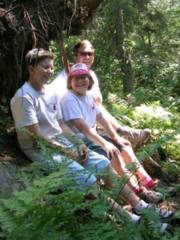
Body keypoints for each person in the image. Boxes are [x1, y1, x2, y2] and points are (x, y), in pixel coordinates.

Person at [10, 48, 174, 233]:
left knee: (103, 163)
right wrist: (68, 152)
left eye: (51, 67)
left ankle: (139, 205)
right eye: (45, 67)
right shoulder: (24, 98)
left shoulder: (50, 92)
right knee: (84, 177)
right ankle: (130, 219)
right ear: (31, 69)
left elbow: (61, 125)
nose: (49, 71)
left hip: (62, 143)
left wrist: (78, 144)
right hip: (41, 150)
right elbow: (37, 136)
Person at [61, 63, 176, 204]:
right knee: (114, 156)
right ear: (70, 81)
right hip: (81, 140)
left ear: (90, 80)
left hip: (92, 136)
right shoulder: (69, 98)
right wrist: (105, 144)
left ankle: (150, 184)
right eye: (76, 78)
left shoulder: (88, 95)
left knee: (125, 149)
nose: (80, 81)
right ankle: (139, 192)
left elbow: (100, 118)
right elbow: (82, 126)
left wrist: (116, 137)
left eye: (84, 77)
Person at [51, 39, 151, 146]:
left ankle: (120, 133)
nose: (87, 57)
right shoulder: (66, 76)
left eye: (90, 54)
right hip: (77, 130)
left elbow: (97, 108)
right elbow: (52, 96)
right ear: (75, 57)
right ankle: (122, 131)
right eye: (83, 54)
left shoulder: (91, 76)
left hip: (93, 125)